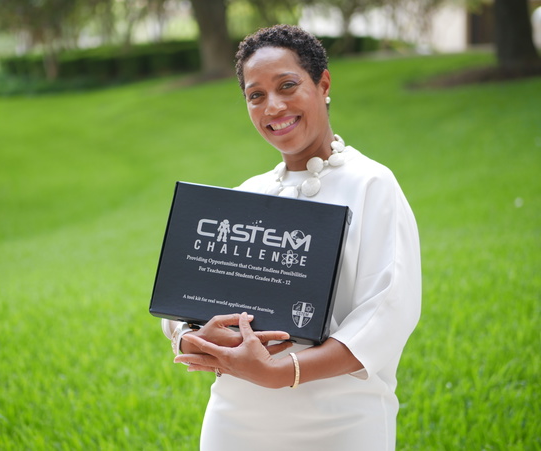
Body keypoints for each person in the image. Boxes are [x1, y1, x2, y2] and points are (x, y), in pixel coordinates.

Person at [161, 24, 421, 450]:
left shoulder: (372, 185)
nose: (273, 106)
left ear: (323, 84)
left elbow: (387, 313)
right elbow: (183, 299)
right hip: (235, 420)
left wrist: (283, 372)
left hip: (341, 421)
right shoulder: (246, 195)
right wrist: (190, 336)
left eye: (287, 85)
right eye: (256, 95)